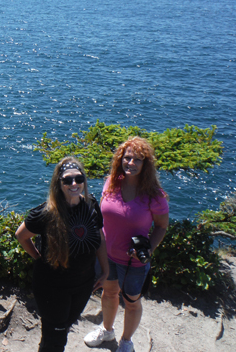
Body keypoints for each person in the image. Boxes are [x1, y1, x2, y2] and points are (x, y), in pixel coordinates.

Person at [84, 137, 169, 352]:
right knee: (109, 293)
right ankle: (107, 330)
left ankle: (126, 340)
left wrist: (149, 248)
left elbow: (161, 226)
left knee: (131, 302)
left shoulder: (155, 195)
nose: (130, 163)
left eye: (137, 159)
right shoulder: (111, 181)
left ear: (146, 164)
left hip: (134, 262)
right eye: (127, 157)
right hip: (106, 255)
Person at [16, 157, 109, 352]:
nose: (74, 184)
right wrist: (38, 258)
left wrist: (105, 270)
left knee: (63, 327)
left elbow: (100, 238)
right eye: (67, 180)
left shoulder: (91, 205)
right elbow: (21, 235)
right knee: (56, 338)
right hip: (53, 288)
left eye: (78, 178)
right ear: (58, 183)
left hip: (83, 285)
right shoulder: (47, 213)